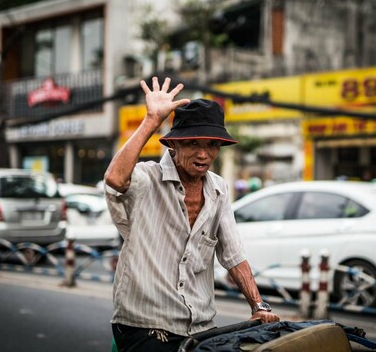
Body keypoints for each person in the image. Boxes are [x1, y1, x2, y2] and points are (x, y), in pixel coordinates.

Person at [103, 77, 280, 352]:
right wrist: (151, 120)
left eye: (212, 145)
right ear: (174, 144)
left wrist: (258, 305)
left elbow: (234, 255)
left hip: (200, 325)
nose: (203, 154)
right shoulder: (148, 178)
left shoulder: (219, 189)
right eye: (193, 143)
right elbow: (115, 179)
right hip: (145, 323)